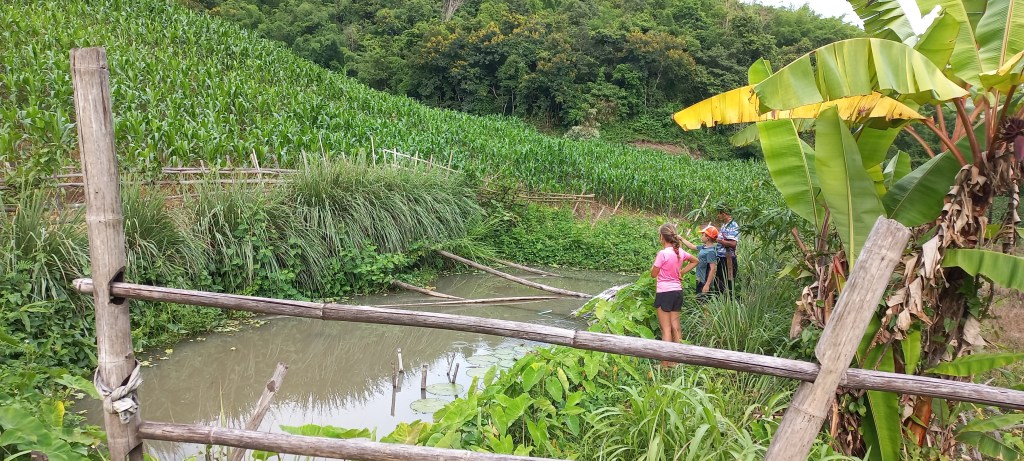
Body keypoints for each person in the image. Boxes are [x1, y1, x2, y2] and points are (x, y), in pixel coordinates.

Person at [650, 223, 698, 367]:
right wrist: (681, 272)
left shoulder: (663, 253)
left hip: (664, 293)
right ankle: (676, 362)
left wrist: (655, 265)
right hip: (677, 292)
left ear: (662, 237)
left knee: (666, 329)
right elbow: (695, 260)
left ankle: (664, 364)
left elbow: (653, 274)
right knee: (676, 327)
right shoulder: (680, 252)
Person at [679, 225, 721, 303]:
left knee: (704, 303)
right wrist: (681, 239)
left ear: (708, 238)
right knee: (700, 301)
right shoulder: (704, 247)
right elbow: (691, 246)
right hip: (700, 279)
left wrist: (707, 284)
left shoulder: (711, 252)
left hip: (704, 281)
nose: (701, 236)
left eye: (703, 235)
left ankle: (706, 315)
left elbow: (713, 269)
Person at [714, 205, 740, 293]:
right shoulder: (724, 225)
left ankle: (728, 303)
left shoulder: (732, 225)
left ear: (724, 214)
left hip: (728, 260)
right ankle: (719, 303)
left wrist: (719, 241)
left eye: (719, 214)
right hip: (721, 258)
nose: (718, 216)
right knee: (719, 282)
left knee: (727, 284)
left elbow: (733, 243)